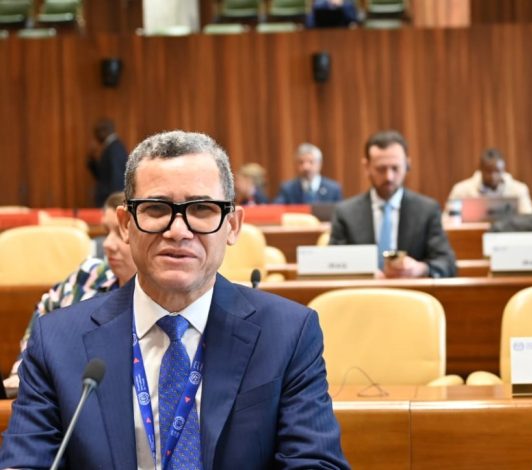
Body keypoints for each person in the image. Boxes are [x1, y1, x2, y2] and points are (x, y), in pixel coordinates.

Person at [0, 131, 348, 469]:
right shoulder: (57, 342)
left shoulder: (288, 334)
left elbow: (314, 461)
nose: (178, 231)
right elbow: (26, 461)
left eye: (201, 209)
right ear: (125, 224)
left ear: (232, 225)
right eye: (155, 208)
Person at [1, 192, 136, 397]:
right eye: (106, 231)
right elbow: (44, 311)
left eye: (119, 232)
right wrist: (24, 370)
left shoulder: (157, 297)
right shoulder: (90, 273)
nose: (107, 244)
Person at [330, 130, 456, 278]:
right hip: (363, 290)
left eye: (395, 168)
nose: (389, 177)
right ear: (367, 166)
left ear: (407, 164)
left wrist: (421, 269)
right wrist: (362, 272)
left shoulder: (427, 210)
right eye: (381, 169)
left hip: (411, 290)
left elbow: (447, 262)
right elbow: (332, 262)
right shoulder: (345, 213)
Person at [447, 148, 532, 214]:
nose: (493, 176)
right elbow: (449, 219)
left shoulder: (518, 190)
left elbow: (529, 218)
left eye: (497, 171)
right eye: (488, 171)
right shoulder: (461, 190)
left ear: (503, 169)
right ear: (480, 169)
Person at [274, 143, 343, 204]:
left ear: (319, 164)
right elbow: (276, 209)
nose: (306, 167)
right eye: (301, 162)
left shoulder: (333, 189)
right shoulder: (288, 188)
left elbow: (339, 212)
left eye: (311, 162)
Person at [87, 118, 129, 207]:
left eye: (97, 132)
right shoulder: (111, 147)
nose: (96, 136)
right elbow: (102, 175)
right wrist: (92, 160)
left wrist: (114, 202)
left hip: (109, 200)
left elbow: (116, 176)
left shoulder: (114, 148)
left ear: (104, 131)